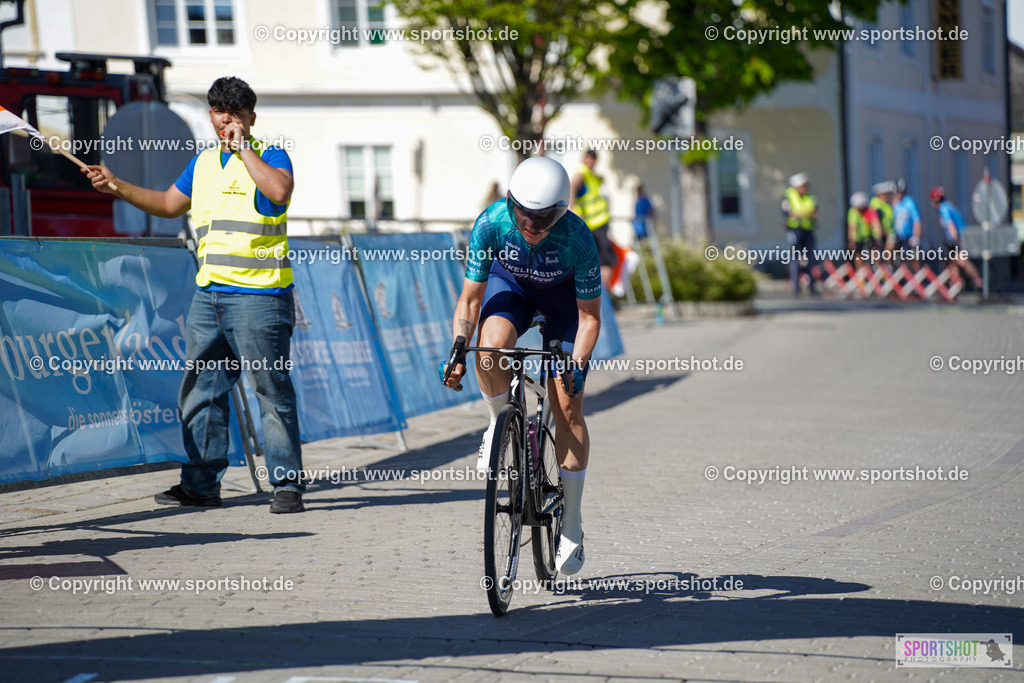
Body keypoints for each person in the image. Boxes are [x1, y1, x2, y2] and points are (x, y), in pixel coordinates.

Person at [83, 77, 305, 513]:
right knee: (202, 392)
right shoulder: (202, 163)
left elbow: (279, 192)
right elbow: (169, 204)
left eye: (235, 114)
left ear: (251, 119)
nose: (226, 121)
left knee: (271, 391)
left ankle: (287, 485)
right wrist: (117, 186)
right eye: (220, 112)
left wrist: (243, 150)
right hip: (209, 295)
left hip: (260, 297)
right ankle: (202, 485)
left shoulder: (270, 156)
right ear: (210, 115)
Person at [440, 156, 601, 576]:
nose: (529, 224)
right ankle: (498, 421)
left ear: (560, 211)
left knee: (566, 406)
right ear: (510, 201)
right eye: (522, 213)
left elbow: (589, 318)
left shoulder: (578, 238)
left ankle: (572, 523)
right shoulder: (491, 223)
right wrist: (458, 348)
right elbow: (471, 298)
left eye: (541, 217)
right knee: (489, 349)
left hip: (564, 303)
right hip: (511, 287)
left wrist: (577, 366)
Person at [570, 149, 615, 289]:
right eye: (588, 158)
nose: (591, 161)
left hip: (597, 224)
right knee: (605, 261)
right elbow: (572, 188)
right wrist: (573, 211)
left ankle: (599, 292)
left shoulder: (591, 175)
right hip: (593, 225)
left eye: (593, 158)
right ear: (584, 158)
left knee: (597, 261)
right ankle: (603, 293)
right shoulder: (582, 172)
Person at [930, 186, 983, 290]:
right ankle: (956, 283)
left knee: (961, 260)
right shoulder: (948, 205)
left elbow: (950, 225)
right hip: (961, 236)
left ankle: (978, 281)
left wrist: (954, 239)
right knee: (952, 260)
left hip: (960, 237)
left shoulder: (943, 208)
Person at [781, 172, 819, 295]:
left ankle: (812, 285)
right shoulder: (789, 196)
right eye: (802, 185)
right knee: (795, 257)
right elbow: (789, 213)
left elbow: (815, 212)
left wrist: (800, 214)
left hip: (808, 229)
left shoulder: (810, 196)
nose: (805, 188)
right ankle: (796, 285)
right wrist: (806, 213)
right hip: (795, 229)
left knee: (811, 257)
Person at [892, 179, 922, 268]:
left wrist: (916, 236)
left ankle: (916, 273)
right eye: (896, 193)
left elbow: (917, 221)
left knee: (914, 257)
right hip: (899, 236)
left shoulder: (910, 202)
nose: (898, 195)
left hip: (910, 235)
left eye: (900, 192)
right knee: (895, 255)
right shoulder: (895, 203)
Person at [847, 192, 881, 269]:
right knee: (858, 257)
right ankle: (860, 273)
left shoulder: (870, 211)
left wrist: (878, 238)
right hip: (858, 239)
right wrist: (852, 241)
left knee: (875, 252)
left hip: (869, 236)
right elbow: (852, 228)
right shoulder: (853, 212)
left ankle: (878, 269)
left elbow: (876, 225)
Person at [870, 181, 896, 253]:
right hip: (878, 235)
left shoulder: (886, 205)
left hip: (887, 234)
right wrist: (879, 237)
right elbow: (876, 222)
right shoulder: (876, 204)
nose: (888, 196)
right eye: (886, 194)